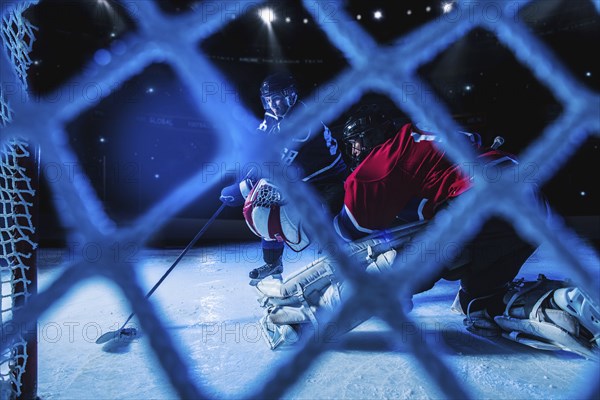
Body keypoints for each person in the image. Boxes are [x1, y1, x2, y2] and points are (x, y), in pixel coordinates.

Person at [253, 104, 599, 359]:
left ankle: (301, 320)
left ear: (372, 139)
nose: (355, 149)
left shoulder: (381, 161)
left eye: (358, 141)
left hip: (479, 206)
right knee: (480, 305)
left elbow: (350, 239)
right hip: (530, 207)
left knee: (390, 267)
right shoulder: (427, 135)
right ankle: (566, 305)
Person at [219, 72, 347, 285]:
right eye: (269, 99)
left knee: (326, 221)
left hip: (328, 179)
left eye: (279, 98)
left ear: (292, 96)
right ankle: (273, 263)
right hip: (301, 178)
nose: (274, 104)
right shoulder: (273, 116)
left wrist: (242, 188)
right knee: (263, 203)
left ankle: (340, 265)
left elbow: (278, 164)